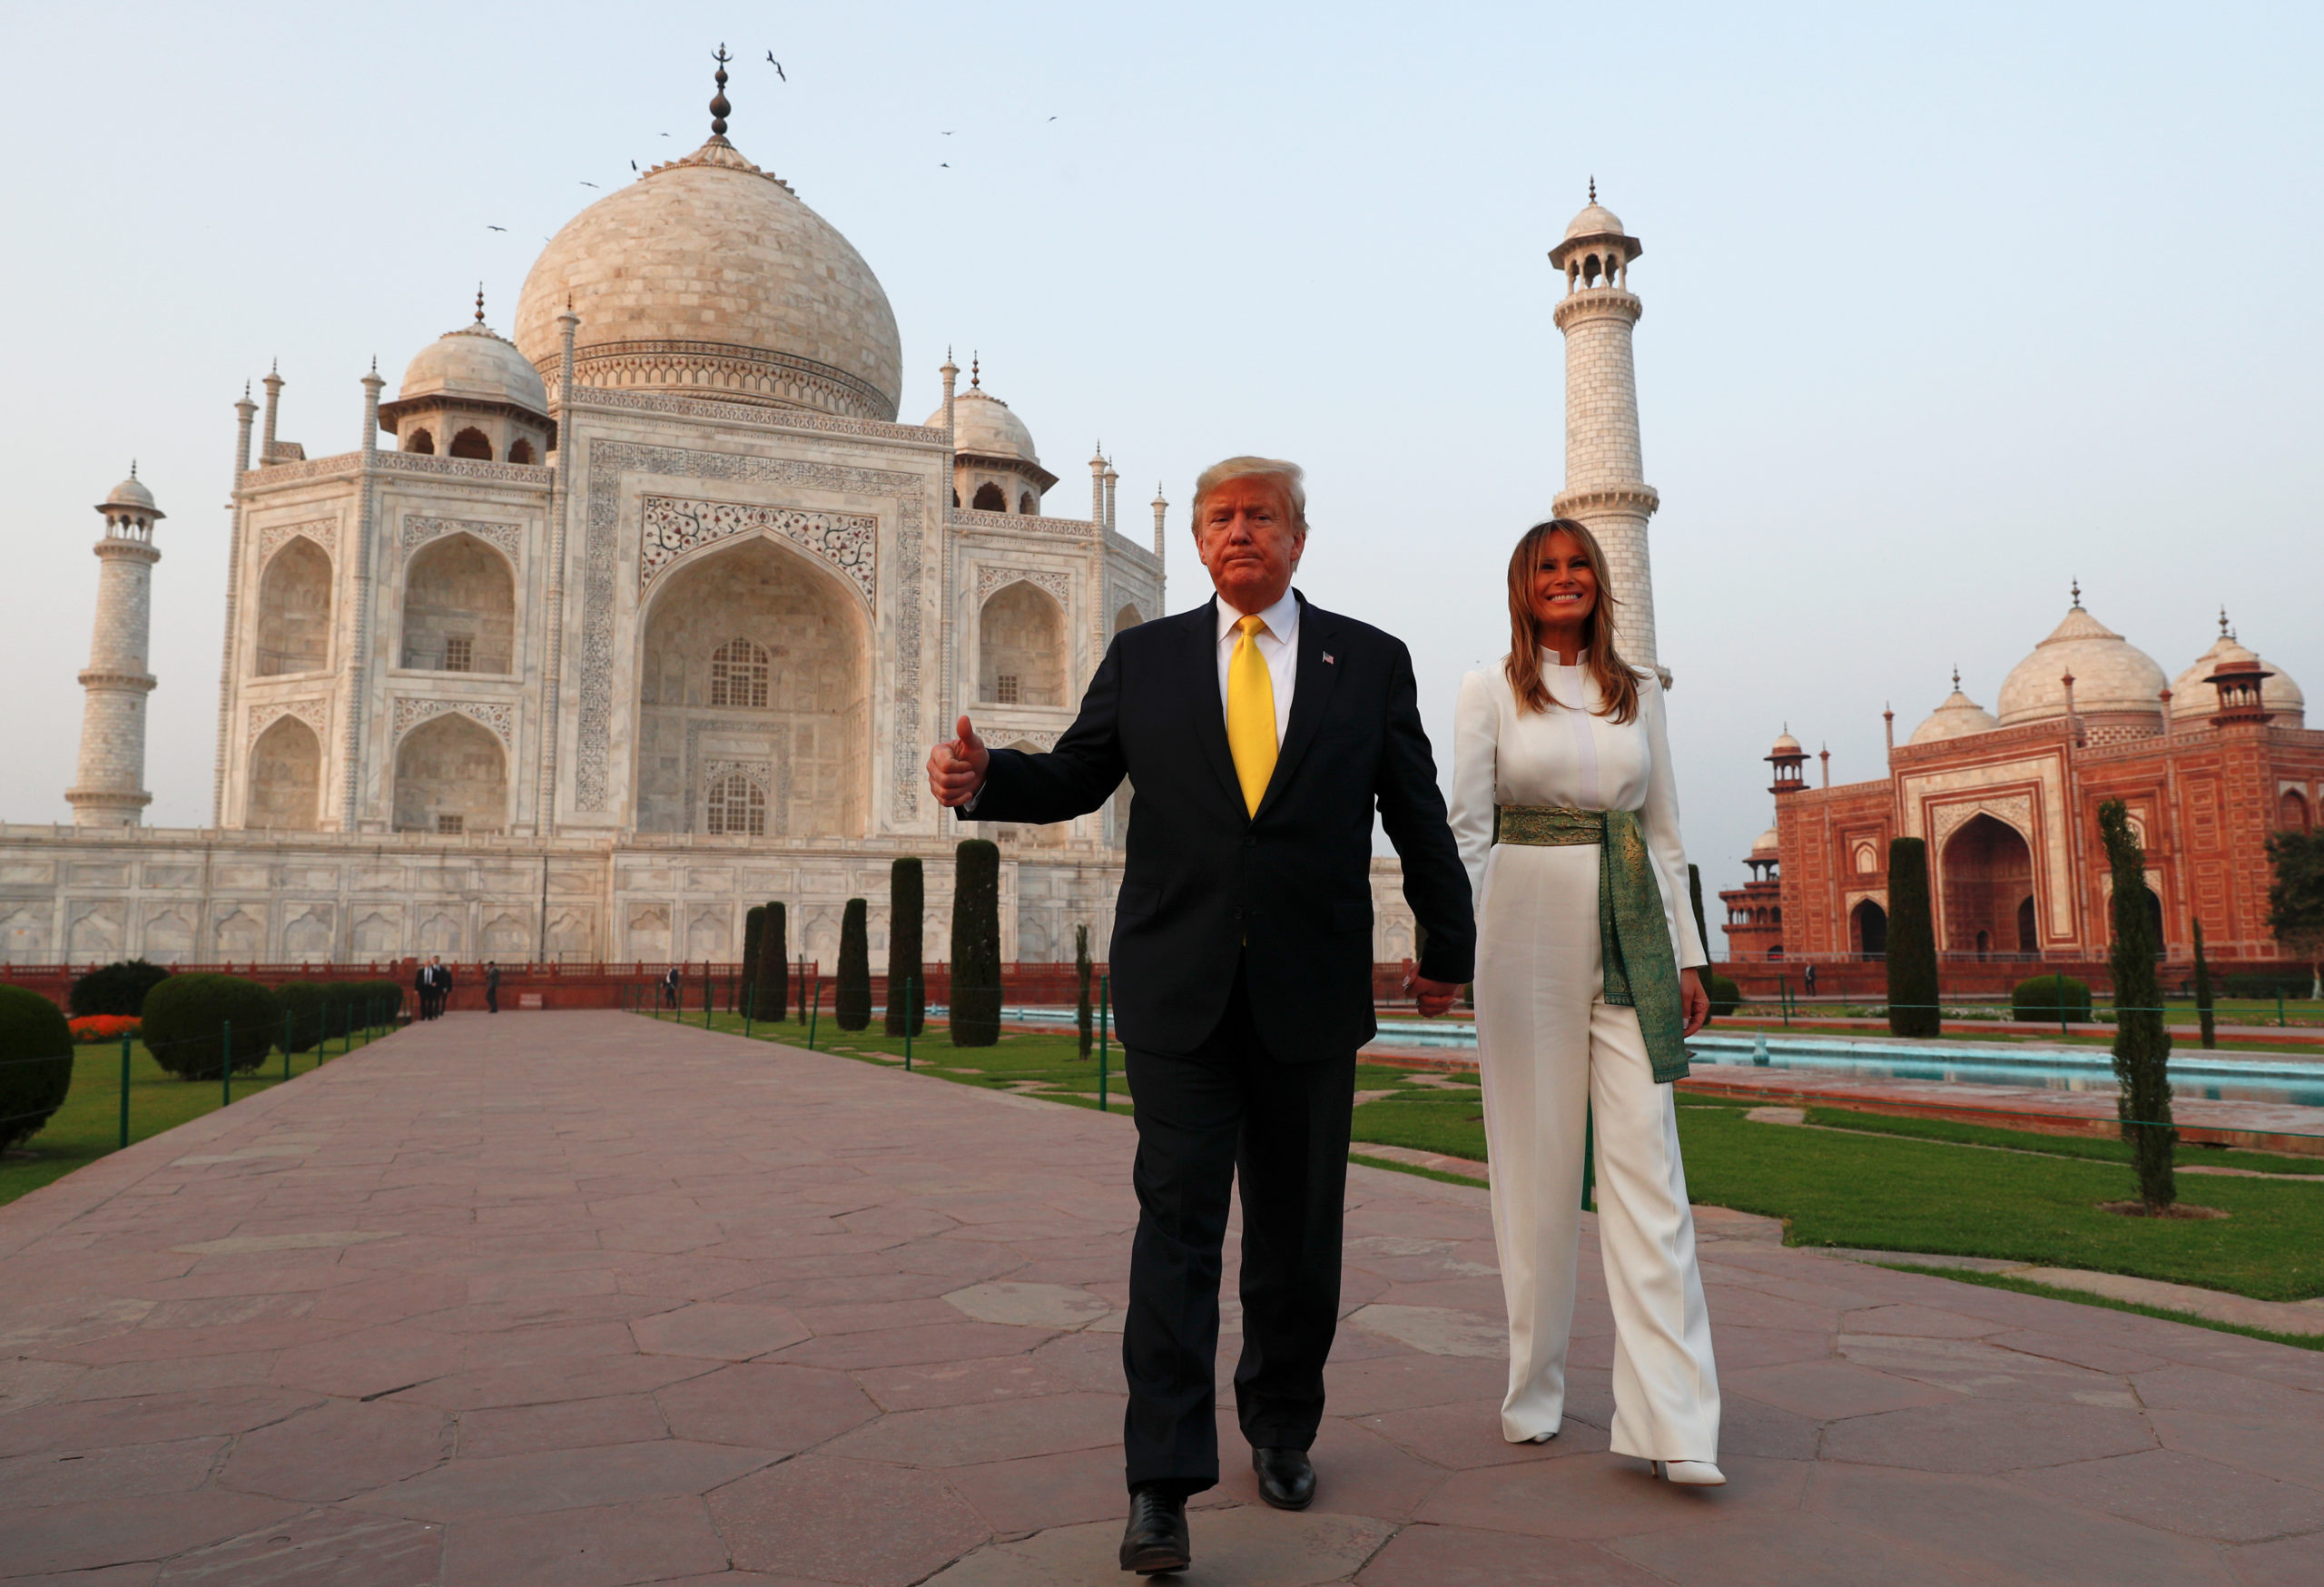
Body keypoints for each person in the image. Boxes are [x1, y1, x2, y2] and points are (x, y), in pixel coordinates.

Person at [928, 457, 1473, 1574]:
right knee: (1174, 1234)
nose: (1239, 533)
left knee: (1294, 1233)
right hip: (1179, 989)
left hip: (1309, 992)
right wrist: (984, 781)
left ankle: (1280, 1426)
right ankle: (1159, 1482)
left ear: (1298, 538)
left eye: (1260, 517)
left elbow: (1416, 813)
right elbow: (1078, 776)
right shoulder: (1149, 657)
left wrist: (1445, 948)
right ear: (1201, 542)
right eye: (1221, 517)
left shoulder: (1365, 661)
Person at [1448, 518, 1723, 1484]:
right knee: (1534, 1165)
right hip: (1524, 926)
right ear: (1522, 587)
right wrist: (1466, 946)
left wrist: (1689, 956)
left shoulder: (1633, 693)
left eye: (1576, 566)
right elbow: (1468, 827)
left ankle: (1675, 1420)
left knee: (1649, 1167)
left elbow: (1666, 831)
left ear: (1598, 582)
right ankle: (1535, 1389)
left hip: (1631, 927)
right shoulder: (1490, 688)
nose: (1563, 579)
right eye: (1545, 568)